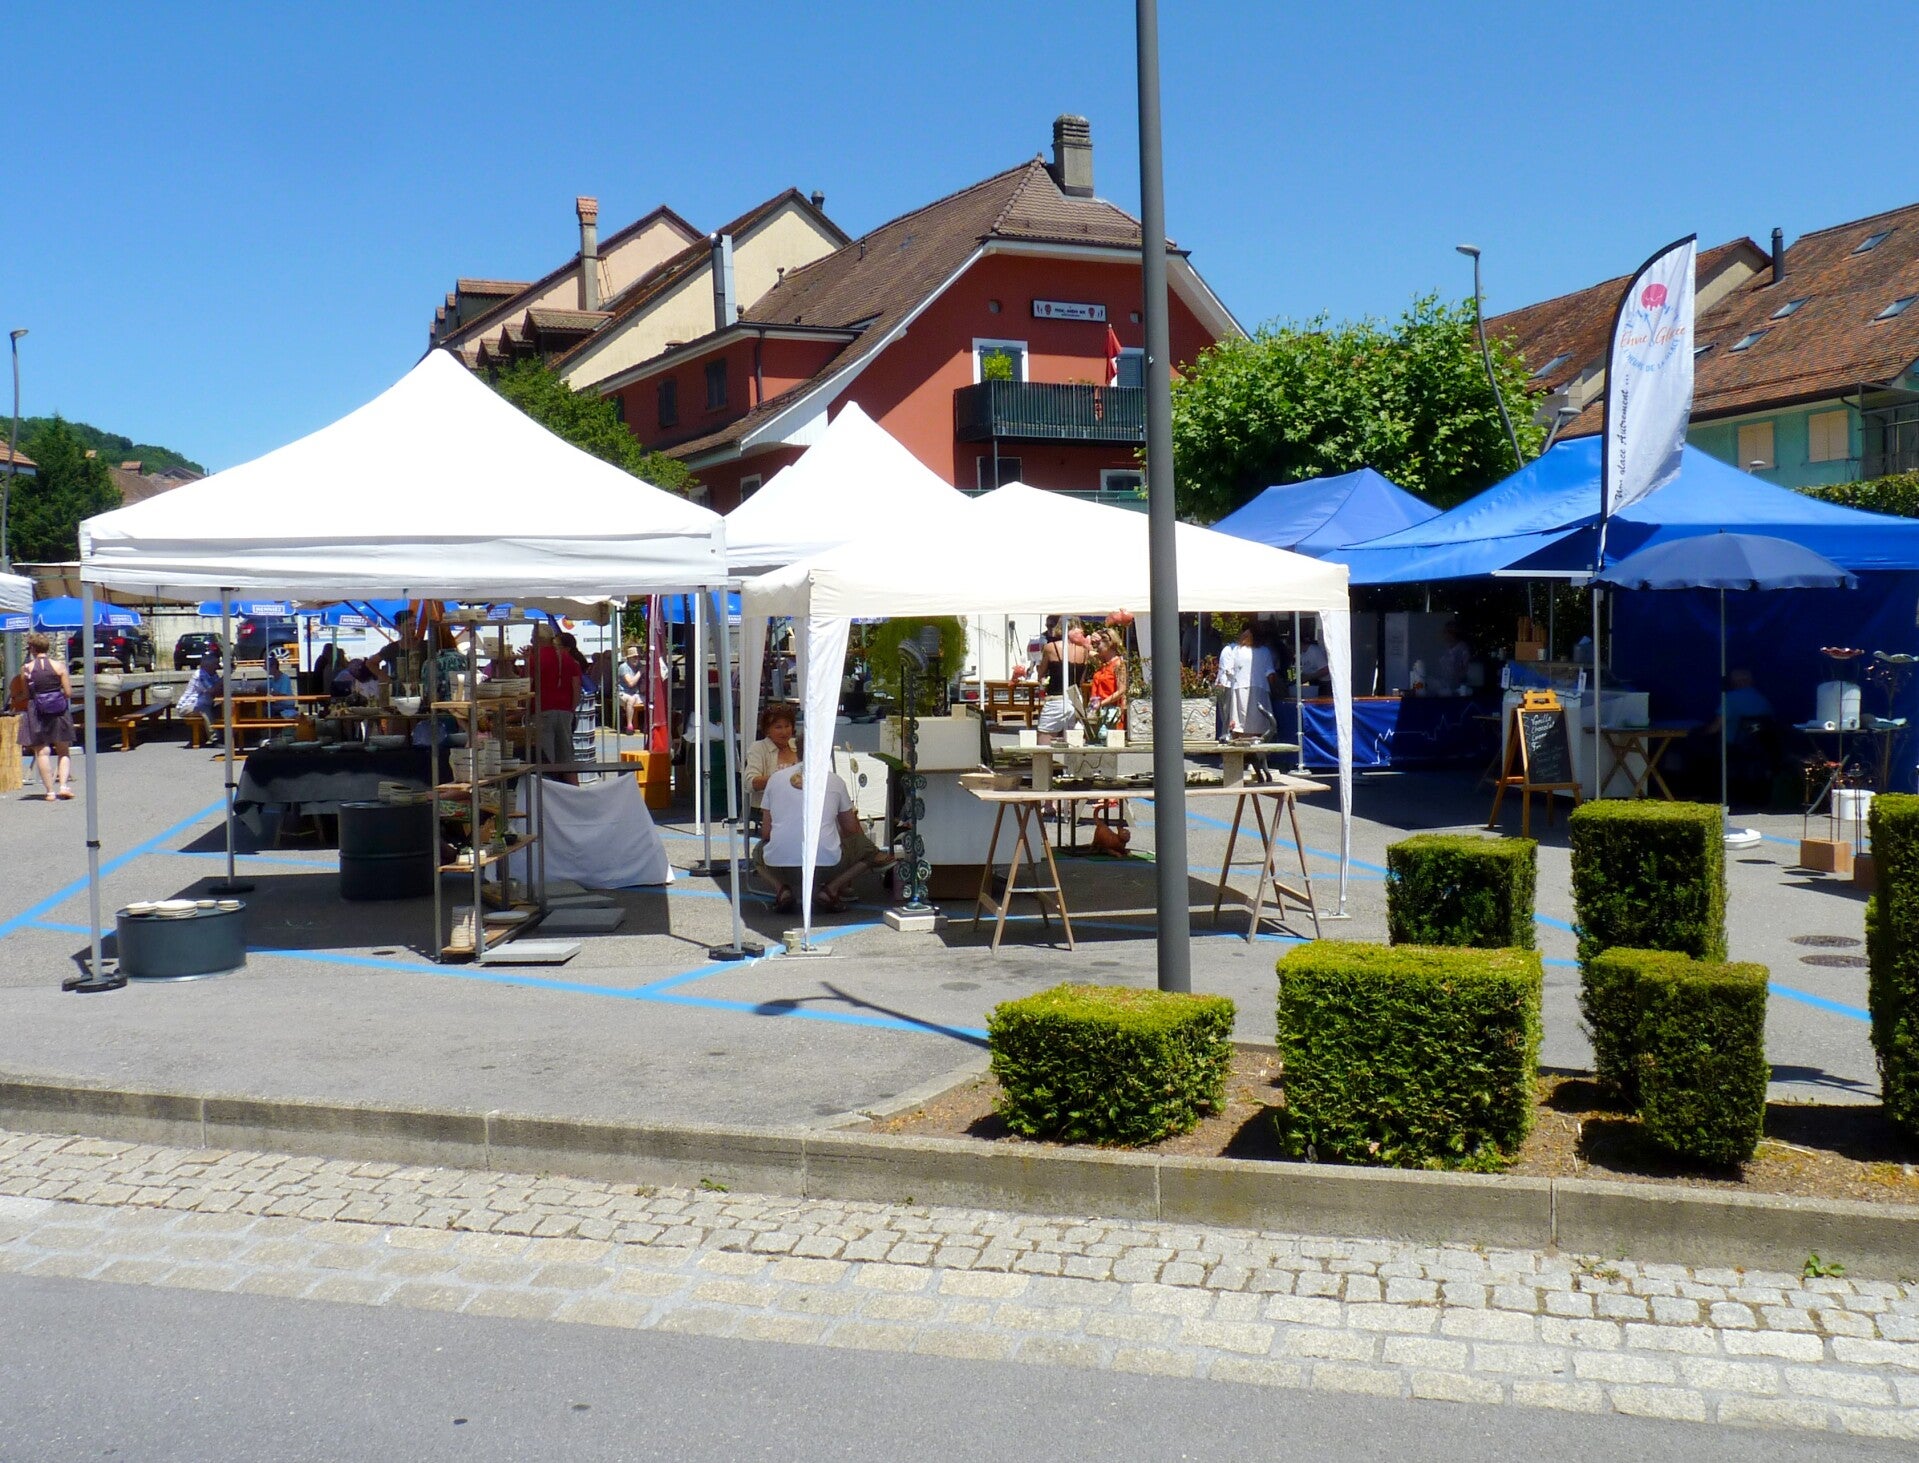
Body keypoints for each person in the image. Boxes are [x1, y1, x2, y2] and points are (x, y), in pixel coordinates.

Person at [756, 763, 893, 914]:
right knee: (867, 848)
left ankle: (782, 890)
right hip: (827, 868)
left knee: (757, 852)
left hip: (781, 869)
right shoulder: (835, 781)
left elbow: (766, 833)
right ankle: (831, 890)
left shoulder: (774, 779)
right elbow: (851, 830)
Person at [19, 633, 76, 801]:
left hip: (37, 711)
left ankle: (50, 791)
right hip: (58, 711)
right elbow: (68, 692)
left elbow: (26, 694)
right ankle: (63, 786)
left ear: (32, 649)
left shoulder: (26, 669)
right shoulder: (59, 666)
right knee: (63, 750)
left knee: (42, 751)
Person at [529, 622, 581, 780]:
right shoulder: (568, 658)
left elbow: (527, 686)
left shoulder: (534, 658)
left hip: (542, 710)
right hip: (565, 711)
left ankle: (549, 791)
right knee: (567, 759)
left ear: (537, 639)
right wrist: (571, 709)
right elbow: (576, 687)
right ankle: (574, 791)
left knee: (546, 759)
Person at [1034, 617, 1089, 744]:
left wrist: (1044, 681)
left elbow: (1041, 674)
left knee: (1044, 741)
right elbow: (1081, 681)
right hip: (1076, 700)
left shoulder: (1050, 647)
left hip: (1056, 699)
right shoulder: (1084, 651)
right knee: (1075, 743)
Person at [743, 703, 801, 818]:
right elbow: (750, 783)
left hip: (798, 805)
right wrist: (782, 779)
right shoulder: (758, 748)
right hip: (767, 809)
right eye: (778, 727)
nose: (784, 732)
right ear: (767, 730)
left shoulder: (798, 745)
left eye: (787, 726)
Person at [1085, 631, 1130, 738]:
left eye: (1098, 644)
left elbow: (1121, 690)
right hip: (1098, 709)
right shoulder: (1103, 663)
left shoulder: (1118, 664)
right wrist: (1092, 639)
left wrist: (1101, 703)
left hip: (1111, 710)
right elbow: (1087, 651)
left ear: (1109, 643)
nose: (1096, 647)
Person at [617, 645, 647, 734]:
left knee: (650, 699)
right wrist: (640, 672)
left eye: (638, 657)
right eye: (634, 657)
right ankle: (629, 725)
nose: (636, 659)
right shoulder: (623, 667)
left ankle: (646, 724)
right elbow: (630, 683)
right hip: (623, 693)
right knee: (630, 699)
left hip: (635, 693)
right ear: (628, 658)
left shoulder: (639, 666)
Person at [1439, 621, 1472, 696]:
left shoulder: (1463, 649)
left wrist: (1456, 678)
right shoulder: (1446, 649)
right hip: (1445, 686)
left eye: (1446, 632)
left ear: (1453, 634)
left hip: (1459, 689)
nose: (1444, 635)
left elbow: (1467, 670)